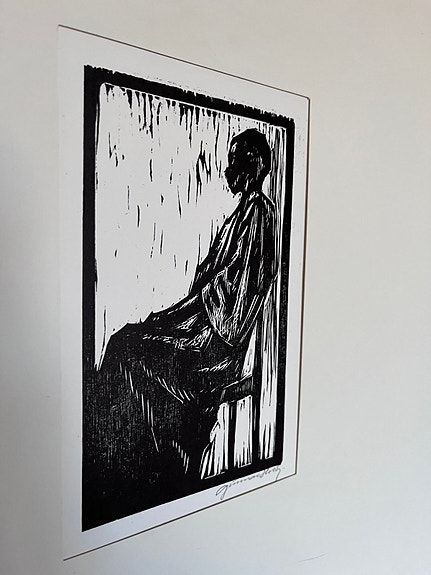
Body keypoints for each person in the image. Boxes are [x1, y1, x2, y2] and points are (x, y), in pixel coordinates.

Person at [82, 128, 278, 528]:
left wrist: (180, 315)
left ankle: (134, 468)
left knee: (126, 348)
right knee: (127, 340)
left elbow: (233, 300)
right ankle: (124, 464)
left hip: (215, 347)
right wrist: (174, 315)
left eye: (236, 160)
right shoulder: (243, 214)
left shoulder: (259, 214)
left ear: (255, 164)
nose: (229, 169)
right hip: (201, 329)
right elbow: (211, 284)